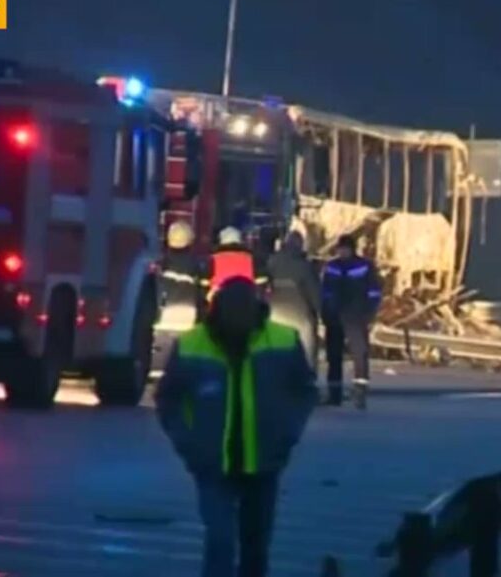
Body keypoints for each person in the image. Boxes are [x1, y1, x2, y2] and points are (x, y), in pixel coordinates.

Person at [155, 278, 318, 577]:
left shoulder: (282, 340)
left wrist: (287, 434)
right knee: (220, 542)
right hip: (213, 464)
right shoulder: (193, 343)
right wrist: (188, 444)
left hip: (264, 463)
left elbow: (305, 391)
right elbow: (168, 399)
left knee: (255, 548)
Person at [321, 234, 382, 409]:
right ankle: (334, 393)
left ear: (352, 249)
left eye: (345, 248)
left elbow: (374, 292)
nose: (342, 252)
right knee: (334, 356)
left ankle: (360, 391)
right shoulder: (332, 267)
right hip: (334, 317)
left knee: (359, 354)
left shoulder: (364, 266)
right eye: (340, 249)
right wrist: (325, 313)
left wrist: (369, 314)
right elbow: (324, 292)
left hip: (356, 317)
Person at [267, 231, 322, 368]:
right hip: (299, 313)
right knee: (307, 346)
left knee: (276, 347)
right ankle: (307, 374)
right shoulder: (304, 266)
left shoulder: (272, 261)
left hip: (275, 311)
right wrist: (320, 312)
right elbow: (313, 292)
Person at [200, 226, 269, 314]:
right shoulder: (251, 259)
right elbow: (262, 279)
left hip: (219, 307)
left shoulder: (213, 259)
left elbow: (203, 282)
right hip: (246, 305)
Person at [156, 221, 203, 334]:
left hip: (163, 319)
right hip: (188, 319)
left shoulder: (161, 263)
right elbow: (201, 294)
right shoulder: (195, 265)